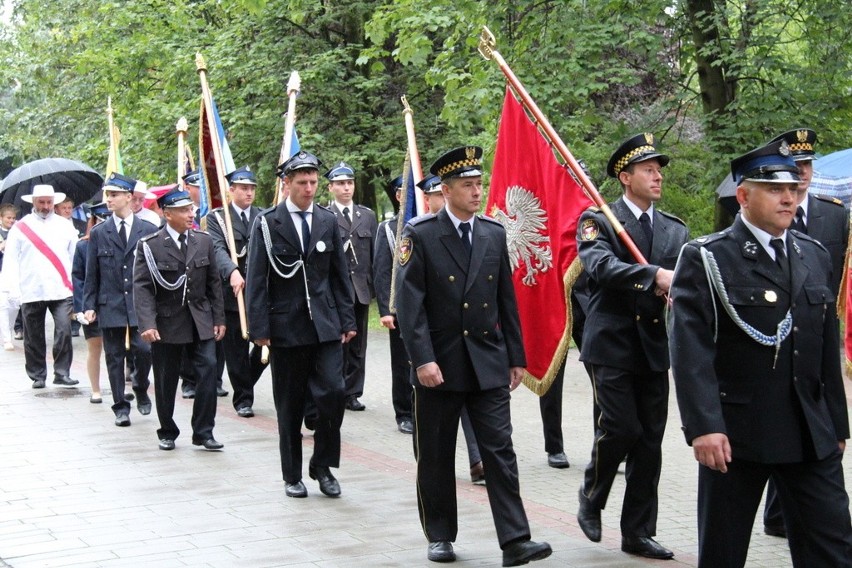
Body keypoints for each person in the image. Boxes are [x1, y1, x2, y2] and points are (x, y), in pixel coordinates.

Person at [669, 138, 852, 567]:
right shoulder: (707, 257)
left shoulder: (814, 253)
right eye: (774, 189)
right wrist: (703, 427)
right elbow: (690, 352)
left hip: (809, 430)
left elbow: (825, 345)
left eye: (794, 188)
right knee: (724, 552)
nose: (789, 197)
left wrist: (837, 423)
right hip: (737, 432)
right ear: (744, 195)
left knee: (834, 548)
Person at [395, 146, 552, 566]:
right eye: (468, 185)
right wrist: (422, 359)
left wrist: (515, 356)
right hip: (439, 365)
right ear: (444, 191)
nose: (477, 191)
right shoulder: (420, 233)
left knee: (500, 450)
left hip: (486, 361)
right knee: (436, 452)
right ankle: (440, 534)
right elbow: (409, 305)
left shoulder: (492, 233)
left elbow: (506, 300)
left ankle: (516, 539)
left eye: (479, 183)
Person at [574, 133, 688, 560]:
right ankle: (592, 493)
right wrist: (654, 275)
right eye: (648, 170)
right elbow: (599, 266)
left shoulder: (675, 228)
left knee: (649, 443)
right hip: (612, 343)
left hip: (655, 345)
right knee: (621, 428)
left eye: (659, 169)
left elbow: (687, 278)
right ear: (625, 177)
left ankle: (638, 530)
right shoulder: (599, 219)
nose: (657, 176)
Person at [245, 151, 356, 499]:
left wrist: (348, 318)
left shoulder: (326, 221)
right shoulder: (267, 223)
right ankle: (292, 473)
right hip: (286, 328)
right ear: (287, 184)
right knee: (290, 405)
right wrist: (258, 328)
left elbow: (339, 272)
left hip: (325, 324)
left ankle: (322, 465)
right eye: (302, 183)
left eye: (313, 182)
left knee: (334, 394)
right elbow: (257, 279)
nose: (309, 189)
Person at [759, 128, 850, 538]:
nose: (803, 173)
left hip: (819, 328)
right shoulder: (768, 212)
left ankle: (783, 514)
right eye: (795, 167)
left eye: (808, 165)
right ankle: (777, 512)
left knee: (811, 418)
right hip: (776, 332)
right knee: (784, 418)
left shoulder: (834, 212)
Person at [133, 186, 226, 451]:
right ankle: (167, 430)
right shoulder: (150, 246)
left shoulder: (203, 241)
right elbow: (143, 288)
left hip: (201, 320)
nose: (190, 214)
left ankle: (204, 431)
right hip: (167, 322)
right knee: (165, 378)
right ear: (167, 213)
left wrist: (219, 318)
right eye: (184, 210)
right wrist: (147, 324)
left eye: (191, 209)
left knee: (208, 372)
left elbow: (213, 285)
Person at [84, 173, 158, 427]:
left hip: (140, 304)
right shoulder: (99, 232)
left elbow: (156, 270)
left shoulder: (148, 230)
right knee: (114, 356)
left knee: (144, 349)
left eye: (114, 194)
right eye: (108, 195)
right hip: (110, 302)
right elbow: (91, 273)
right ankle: (120, 406)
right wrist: (89, 305)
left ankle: (140, 386)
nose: (109, 199)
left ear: (129, 197)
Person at [2, 184, 79, 389]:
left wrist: (76, 284)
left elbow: (74, 257)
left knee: (64, 330)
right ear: (33, 203)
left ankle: (62, 372)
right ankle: (37, 375)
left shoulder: (65, 226)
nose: (46, 206)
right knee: (33, 335)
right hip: (31, 288)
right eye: (41, 202)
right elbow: (11, 260)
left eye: (49, 202)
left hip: (61, 288)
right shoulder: (20, 227)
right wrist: (12, 289)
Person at [206, 166, 267, 418]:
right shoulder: (219, 218)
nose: (249, 193)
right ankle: (243, 399)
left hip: (261, 292)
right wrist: (231, 271)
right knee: (237, 350)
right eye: (243, 188)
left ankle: (244, 383)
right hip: (232, 294)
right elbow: (217, 248)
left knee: (266, 347)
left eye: (252, 188)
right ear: (231, 191)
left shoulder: (264, 216)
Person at [326, 161, 377, 411]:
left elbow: (375, 255)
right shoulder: (324, 215)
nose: (346, 188)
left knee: (358, 345)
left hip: (361, 289)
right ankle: (336, 387)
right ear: (331, 187)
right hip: (336, 291)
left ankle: (353, 392)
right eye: (341, 184)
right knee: (338, 342)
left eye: (350, 183)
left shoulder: (366, 215)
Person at [178, 169, 228, 399]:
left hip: (213, 277)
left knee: (215, 336)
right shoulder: (180, 213)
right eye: (198, 186)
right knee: (188, 335)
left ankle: (215, 379)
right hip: (189, 283)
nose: (204, 190)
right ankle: (188, 380)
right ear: (187, 188)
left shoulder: (218, 215)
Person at [373, 175, 413, 434]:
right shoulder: (388, 229)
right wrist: (386, 310)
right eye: (405, 192)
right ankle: (404, 413)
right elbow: (382, 271)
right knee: (402, 362)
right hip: (400, 307)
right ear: (398, 196)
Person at [72, 201, 108, 404]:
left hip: (113, 302)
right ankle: (96, 389)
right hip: (92, 303)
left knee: (116, 349)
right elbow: (78, 279)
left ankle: (118, 386)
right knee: (94, 347)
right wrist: (82, 308)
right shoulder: (83, 246)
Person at [0, 203, 19, 350]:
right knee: (3, 305)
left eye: (13, 218)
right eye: (8, 218)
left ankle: (9, 331)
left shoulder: (18, 232)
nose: (11, 221)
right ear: (1, 218)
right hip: (1, 272)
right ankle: (6, 338)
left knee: (14, 305)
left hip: (15, 273)